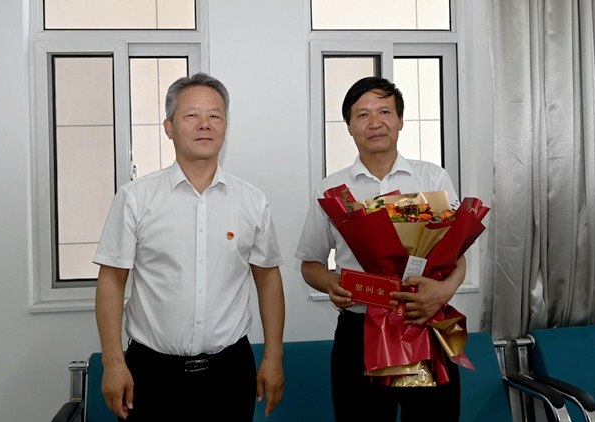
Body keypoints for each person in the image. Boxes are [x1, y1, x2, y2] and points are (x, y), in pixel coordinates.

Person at [94, 72, 286, 421]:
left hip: (230, 372)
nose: (205, 124)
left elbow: (268, 279)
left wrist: (274, 356)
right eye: (192, 115)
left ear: (225, 126)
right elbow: (111, 280)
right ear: (169, 127)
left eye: (215, 115)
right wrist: (113, 361)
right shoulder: (136, 198)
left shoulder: (252, 201)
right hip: (152, 373)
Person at [295, 76, 466, 422]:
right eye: (362, 114)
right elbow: (310, 264)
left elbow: (457, 255)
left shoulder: (433, 178)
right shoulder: (332, 189)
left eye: (385, 112)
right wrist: (331, 283)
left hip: (424, 323)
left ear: (400, 120)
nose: (375, 122)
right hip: (358, 332)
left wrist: (444, 290)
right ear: (349, 126)